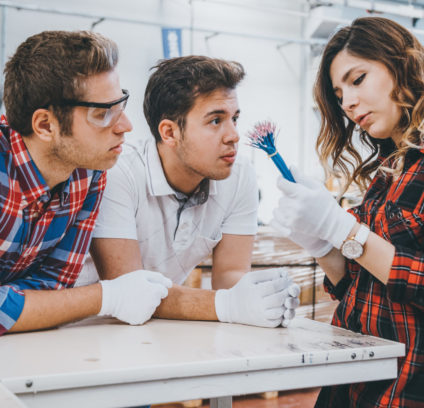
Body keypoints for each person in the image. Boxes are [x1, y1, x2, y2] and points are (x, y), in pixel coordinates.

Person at [272, 17, 424, 407]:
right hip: (357, 380)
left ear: (403, 65)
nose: (347, 102)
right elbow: (359, 287)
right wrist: (319, 239)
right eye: (338, 94)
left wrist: (343, 228)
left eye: (358, 79)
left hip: (420, 385)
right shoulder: (388, 172)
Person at [77, 55, 299, 328]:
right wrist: (229, 305)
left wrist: (263, 298)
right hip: (87, 328)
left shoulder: (239, 176)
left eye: (234, 119)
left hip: (156, 328)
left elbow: (230, 275)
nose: (234, 136)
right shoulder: (119, 173)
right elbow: (129, 289)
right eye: (216, 121)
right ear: (169, 132)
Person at [0, 30, 173, 336]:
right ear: (45, 125)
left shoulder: (88, 170)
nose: (126, 126)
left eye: (121, 105)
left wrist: (15, 304)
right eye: (102, 113)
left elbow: (53, 286)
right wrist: (105, 297)